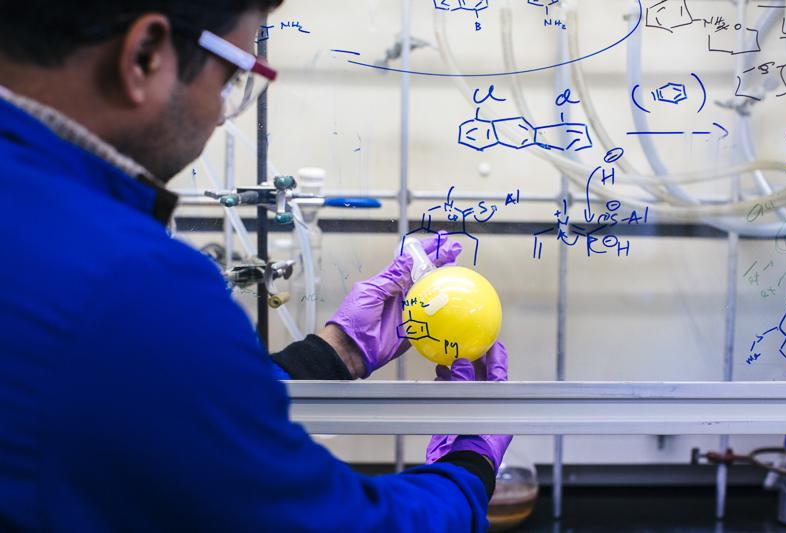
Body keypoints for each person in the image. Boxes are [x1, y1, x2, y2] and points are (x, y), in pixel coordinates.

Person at [0, 0, 512, 531]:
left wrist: (332, 354)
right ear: (146, 56)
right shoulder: (128, 283)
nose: (223, 113)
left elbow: (162, 411)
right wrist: (468, 468)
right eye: (231, 79)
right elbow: (323, 522)